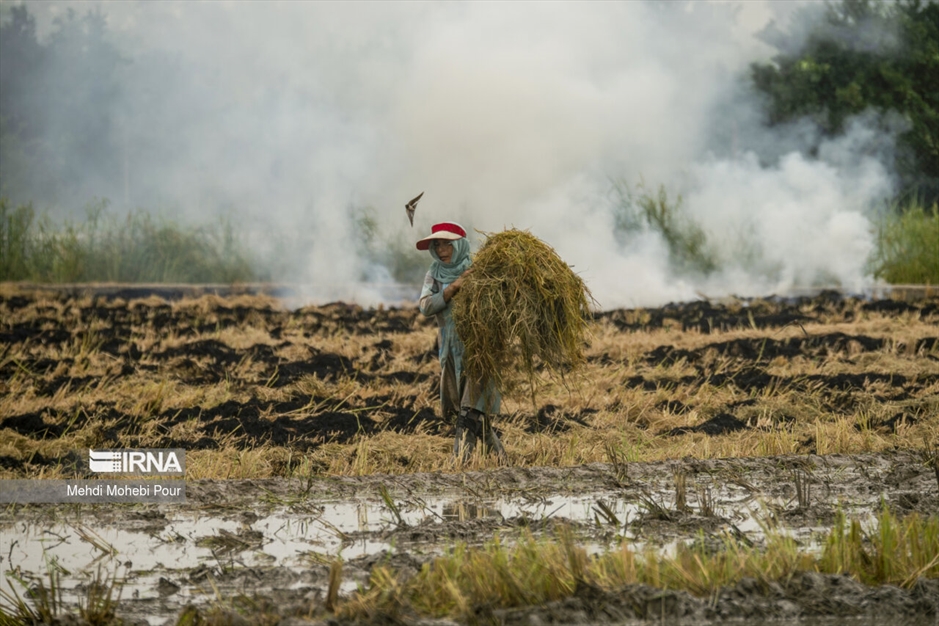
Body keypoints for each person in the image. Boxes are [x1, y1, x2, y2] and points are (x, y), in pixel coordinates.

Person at [417, 222, 506, 462]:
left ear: (460, 245)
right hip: (449, 349)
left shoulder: (479, 270)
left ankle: (460, 464)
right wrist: (454, 287)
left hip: (480, 349)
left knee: (469, 412)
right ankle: (501, 461)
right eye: (437, 245)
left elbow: (499, 306)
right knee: (469, 412)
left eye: (448, 244)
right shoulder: (434, 273)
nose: (442, 249)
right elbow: (425, 306)